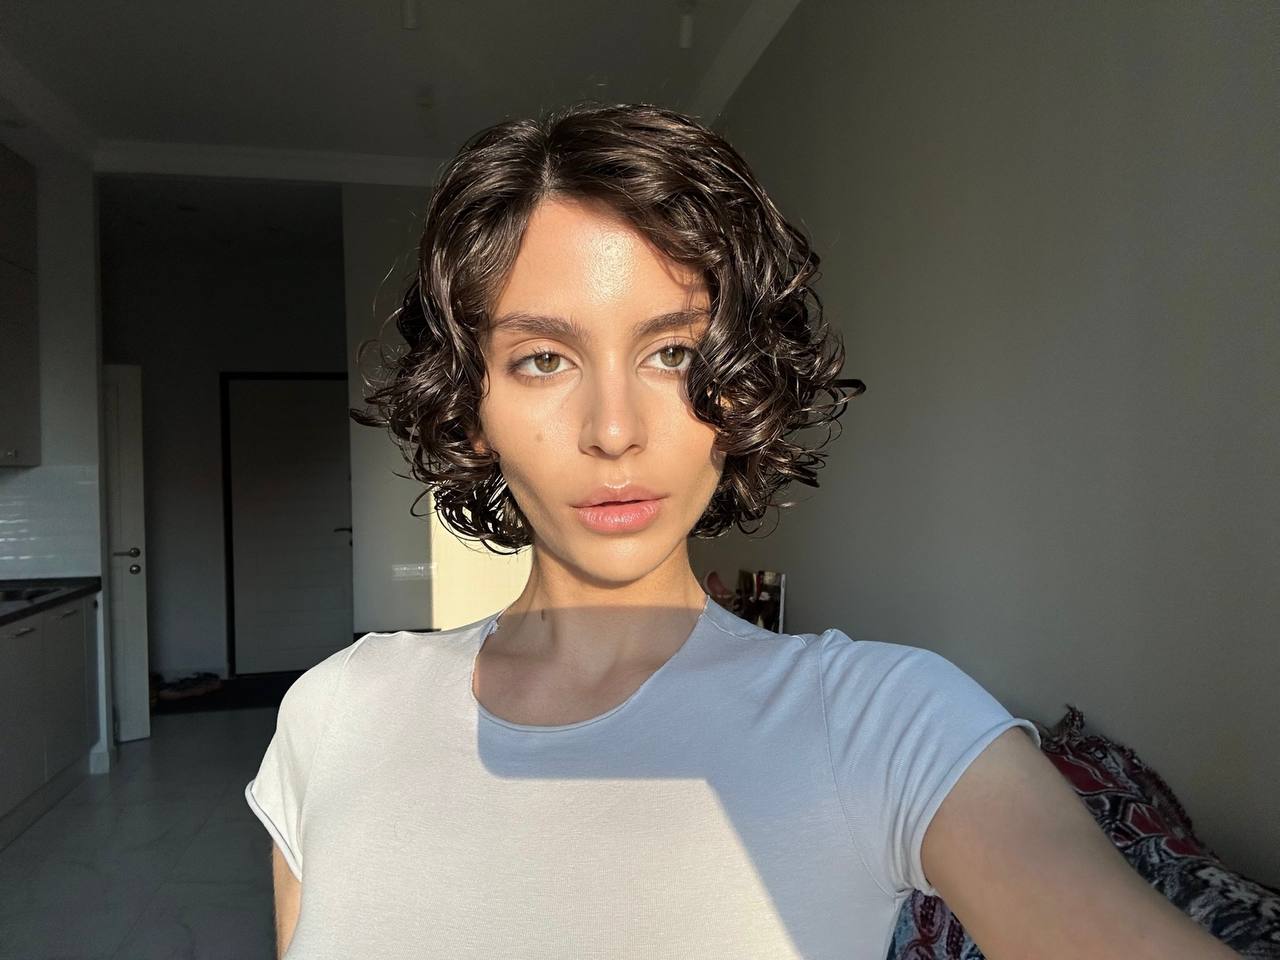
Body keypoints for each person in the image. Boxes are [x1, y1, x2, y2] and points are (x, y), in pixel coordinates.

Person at [244, 101, 1240, 959]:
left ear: (740, 387)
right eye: (543, 359)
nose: (613, 430)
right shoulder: (334, 715)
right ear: (471, 407)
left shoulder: (885, 724)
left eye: (673, 352)